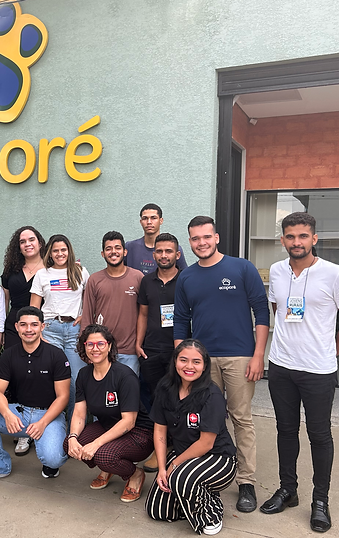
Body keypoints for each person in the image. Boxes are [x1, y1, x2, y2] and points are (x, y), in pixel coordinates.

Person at [259, 212, 339, 533]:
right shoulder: (277, 271)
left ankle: (320, 500)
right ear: (283, 240)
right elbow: (278, 310)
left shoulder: (335, 274)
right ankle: (288, 489)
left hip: (318, 370)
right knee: (285, 431)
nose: (297, 242)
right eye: (290, 236)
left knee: (319, 435)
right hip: (281, 366)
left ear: (314, 239)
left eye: (303, 236)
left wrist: (331, 351)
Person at [173, 215, 270, 513]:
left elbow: (262, 312)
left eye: (206, 237)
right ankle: (207, 473)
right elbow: (180, 321)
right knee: (206, 419)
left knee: (241, 418)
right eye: (195, 238)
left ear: (216, 238)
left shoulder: (242, 268)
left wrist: (258, 355)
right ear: (190, 242)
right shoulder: (186, 277)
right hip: (201, 360)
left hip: (240, 356)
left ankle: (246, 481)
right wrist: (181, 361)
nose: (201, 243)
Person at [145, 339, 237, 536]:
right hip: (184, 454)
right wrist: (162, 468)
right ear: (175, 361)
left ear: (204, 366)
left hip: (218, 458)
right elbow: (160, 431)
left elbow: (206, 443)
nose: (189, 366)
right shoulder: (165, 388)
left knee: (179, 478)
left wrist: (173, 465)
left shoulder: (212, 394)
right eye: (183, 360)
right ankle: (193, 493)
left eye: (196, 362)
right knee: (157, 510)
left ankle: (211, 512)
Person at [0, 306, 70, 484]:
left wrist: (43, 423)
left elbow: (63, 397)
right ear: (17, 327)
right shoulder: (9, 355)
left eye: (34, 324)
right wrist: (7, 414)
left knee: (53, 458)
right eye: (23, 325)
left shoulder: (56, 355)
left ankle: (50, 458)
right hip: (20, 412)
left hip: (49, 415)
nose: (28, 329)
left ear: (42, 326)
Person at [65, 324, 153, 502]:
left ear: (109, 346)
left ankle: (135, 474)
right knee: (70, 445)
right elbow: (80, 413)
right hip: (107, 425)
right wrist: (73, 437)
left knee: (103, 455)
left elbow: (129, 421)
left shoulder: (124, 376)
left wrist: (96, 444)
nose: (95, 349)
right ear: (84, 347)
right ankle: (108, 466)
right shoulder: (84, 374)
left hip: (139, 432)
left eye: (100, 344)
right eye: (90, 344)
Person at [135, 233, 184, 472]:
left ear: (177, 254)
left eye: (168, 251)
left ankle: (182, 447)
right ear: (154, 254)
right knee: (156, 399)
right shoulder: (146, 281)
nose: (164, 255)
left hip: (180, 350)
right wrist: (138, 343)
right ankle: (159, 448)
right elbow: (143, 314)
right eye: (160, 251)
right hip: (152, 349)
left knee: (181, 398)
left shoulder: (187, 279)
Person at [30, 234, 90, 422]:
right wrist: (38, 333)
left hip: (74, 331)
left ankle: (73, 426)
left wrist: (84, 315)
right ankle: (51, 424)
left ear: (69, 251)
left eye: (63, 250)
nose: (59, 253)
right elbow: (33, 308)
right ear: (50, 253)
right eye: (55, 250)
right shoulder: (42, 274)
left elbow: (90, 300)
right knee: (50, 379)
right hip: (50, 330)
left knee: (76, 380)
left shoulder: (80, 272)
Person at [81, 231, 144, 375]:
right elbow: (87, 315)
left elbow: (144, 314)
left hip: (130, 351)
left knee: (128, 387)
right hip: (101, 350)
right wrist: (86, 347)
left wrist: (139, 344)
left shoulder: (138, 277)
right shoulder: (94, 280)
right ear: (103, 254)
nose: (113, 252)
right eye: (108, 249)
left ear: (125, 252)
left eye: (117, 248)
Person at [1, 226, 46, 351]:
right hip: (14, 325)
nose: (27, 244)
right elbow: (5, 301)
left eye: (31, 240)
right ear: (19, 248)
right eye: (22, 242)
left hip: (41, 324)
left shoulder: (51, 268)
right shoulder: (11, 269)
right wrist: (1, 328)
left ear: (40, 243)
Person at [125, 203, 187, 275]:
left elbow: (184, 275)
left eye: (153, 218)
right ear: (141, 222)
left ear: (161, 221)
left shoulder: (174, 249)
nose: (149, 222)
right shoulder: (129, 247)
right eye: (145, 218)